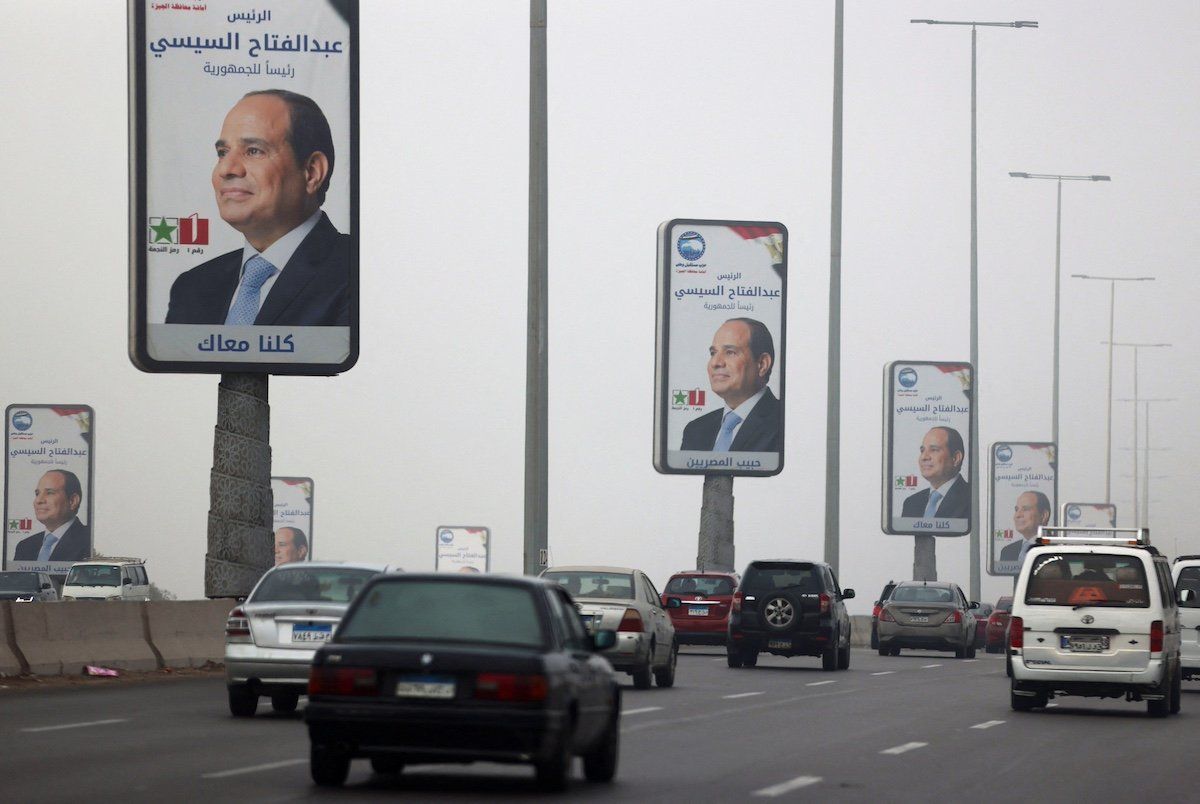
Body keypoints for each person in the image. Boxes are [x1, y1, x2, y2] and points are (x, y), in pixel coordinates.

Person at [166, 89, 350, 326]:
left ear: (312, 172)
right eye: (222, 153)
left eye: (254, 151)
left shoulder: (358, 274)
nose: (226, 169)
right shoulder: (191, 288)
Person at [680, 317, 781, 452]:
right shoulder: (695, 431)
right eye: (713, 353)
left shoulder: (785, 423)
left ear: (762, 364)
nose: (715, 362)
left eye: (730, 352)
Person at [13, 470, 91, 562]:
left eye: (49, 493)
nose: (38, 500)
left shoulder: (89, 540)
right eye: (37, 493)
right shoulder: (25, 546)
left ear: (72, 501)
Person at [900, 426, 970, 519]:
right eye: (922, 450)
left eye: (934, 450)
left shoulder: (972, 498)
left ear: (956, 458)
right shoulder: (911, 503)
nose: (924, 457)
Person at [1000, 491, 1052, 562]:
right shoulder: (1007, 551)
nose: (1017, 515)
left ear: (1043, 515)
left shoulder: (1055, 548)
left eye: (1026, 509)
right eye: (1016, 509)